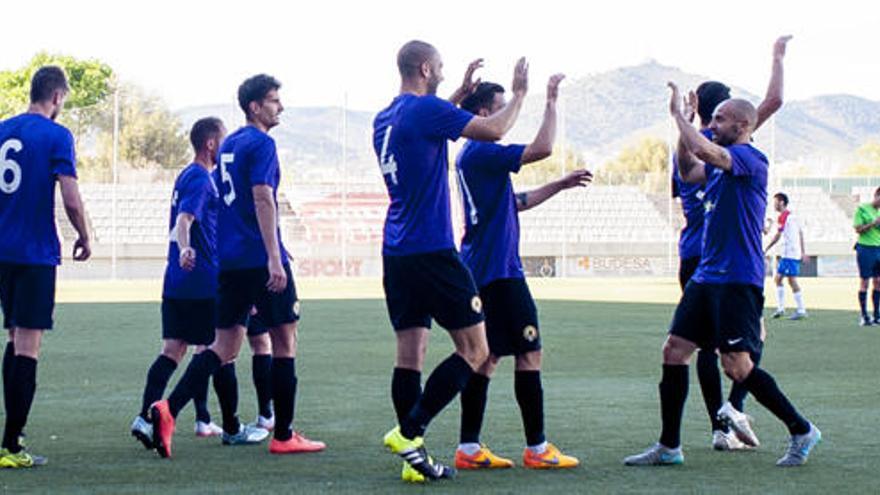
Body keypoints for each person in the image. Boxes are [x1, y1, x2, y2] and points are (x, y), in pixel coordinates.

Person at [624, 84, 820, 467]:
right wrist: (685, 130)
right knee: (674, 350)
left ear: (743, 125)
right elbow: (687, 168)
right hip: (707, 276)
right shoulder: (718, 165)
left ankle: (801, 429)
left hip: (736, 278)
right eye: (711, 119)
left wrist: (681, 119)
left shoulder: (749, 159)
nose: (712, 124)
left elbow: (705, 150)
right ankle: (669, 446)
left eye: (719, 119)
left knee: (737, 366)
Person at [373, 40, 529, 483]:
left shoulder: (385, 117)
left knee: (410, 354)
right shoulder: (425, 113)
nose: (443, 72)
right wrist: (518, 94)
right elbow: (494, 129)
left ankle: (414, 462)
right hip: (432, 250)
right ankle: (410, 433)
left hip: (396, 251)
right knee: (477, 350)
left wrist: (457, 93)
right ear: (425, 68)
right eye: (439, 67)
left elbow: (425, 122)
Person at [150, 74, 324, 458]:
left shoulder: (228, 146)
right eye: (274, 101)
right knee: (284, 340)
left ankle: (168, 409)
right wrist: (274, 257)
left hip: (229, 263)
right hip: (258, 258)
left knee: (224, 346)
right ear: (255, 107)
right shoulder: (262, 143)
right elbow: (263, 198)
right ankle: (284, 433)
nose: (280, 107)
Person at [452, 77, 589, 471]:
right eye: (501, 106)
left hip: (481, 267)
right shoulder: (482, 150)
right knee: (529, 352)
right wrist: (548, 101)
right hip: (500, 271)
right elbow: (543, 148)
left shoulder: (471, 155)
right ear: (482, 113)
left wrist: (558, 186)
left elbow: (515, 202)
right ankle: (537, 448)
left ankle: (469, 448)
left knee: (488, 357)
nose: (508, 116)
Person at [670, 35, 791, 451]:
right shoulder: (718, 145)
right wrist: (776, 57)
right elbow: (772, 101)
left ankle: (721, 423)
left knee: (701, 346)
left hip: (695, 255)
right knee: (745, 343)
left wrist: (681, 123)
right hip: (726, 257)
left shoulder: (697, 143)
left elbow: (685, 174)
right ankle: (735, 410)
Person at [0, 66, 91, 468]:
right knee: (28, 347)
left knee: (14, 336)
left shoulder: (3, 130)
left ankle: (8, 440)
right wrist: (84, 235)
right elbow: (70, 198)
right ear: (56, 97)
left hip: (2, 250)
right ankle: (11, 445)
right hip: (33, 252)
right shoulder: (57, 135)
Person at [130, 117, 227, 450]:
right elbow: (185, 220)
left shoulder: (185, 175)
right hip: (200, 279)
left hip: (176, 279)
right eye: (222, 139)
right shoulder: (201, 180)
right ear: (211, 143)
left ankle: (145, 418)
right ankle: (204, 420)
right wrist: (187, 247)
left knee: (173, 350)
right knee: (216, 349)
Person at [765, 192, 808, 320]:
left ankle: (801, 310)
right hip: (790, 253)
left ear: (782, 202)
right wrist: (803, 251)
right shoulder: (792, 216)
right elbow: (800, 233)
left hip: (790, 253)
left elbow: (778, 235)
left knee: (791, 280)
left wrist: (767, 248)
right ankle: (781, 308)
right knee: (778, 279)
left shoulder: (784, 216)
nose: (774, 205)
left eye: (775, 202)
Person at [852, 186, 880, 326]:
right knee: (865, 282)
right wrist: (873, 223)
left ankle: (877, 315)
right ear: (876, 196)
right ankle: (864, 316)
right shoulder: (862, 209)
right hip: (865, 248)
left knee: (878, 282)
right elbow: (858, 229)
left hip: (878, 249)